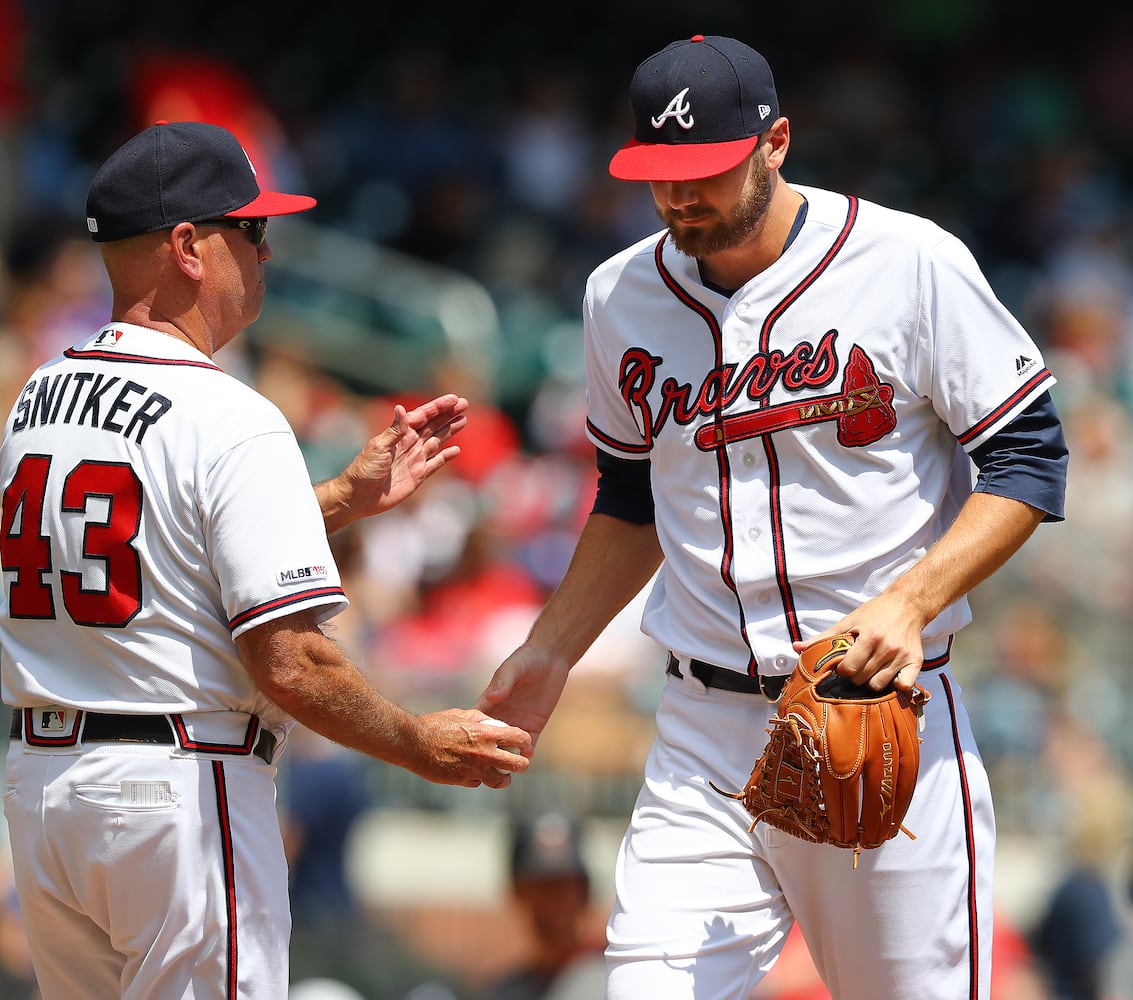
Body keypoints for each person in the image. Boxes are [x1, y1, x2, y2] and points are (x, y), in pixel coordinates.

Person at [476, 34, 1068, 1000]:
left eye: (702, 170)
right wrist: (553, 647)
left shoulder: (907, 262)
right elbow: (631, 497)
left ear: (775, 142)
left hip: (876, 715)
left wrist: (911, 603)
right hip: (701, 728)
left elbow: (1028, 458)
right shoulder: (617, 295)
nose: (678, 197)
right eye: (658, 174)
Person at [0, 119, 532, 1000]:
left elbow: (152, 547)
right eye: (248, 230)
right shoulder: (229, 414)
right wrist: (416, 742)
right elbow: (290, 662)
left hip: (45, 790)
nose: (266, 250)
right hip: (176, 788)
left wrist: (328, 501)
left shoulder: (39, 396)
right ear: (187, 247)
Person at [484, 812, 607, 1000]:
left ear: (583, 891)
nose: (554, 900)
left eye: (564, 885)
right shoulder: (507, 991)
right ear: (518, 891)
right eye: (542, 885)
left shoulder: (616, 978)